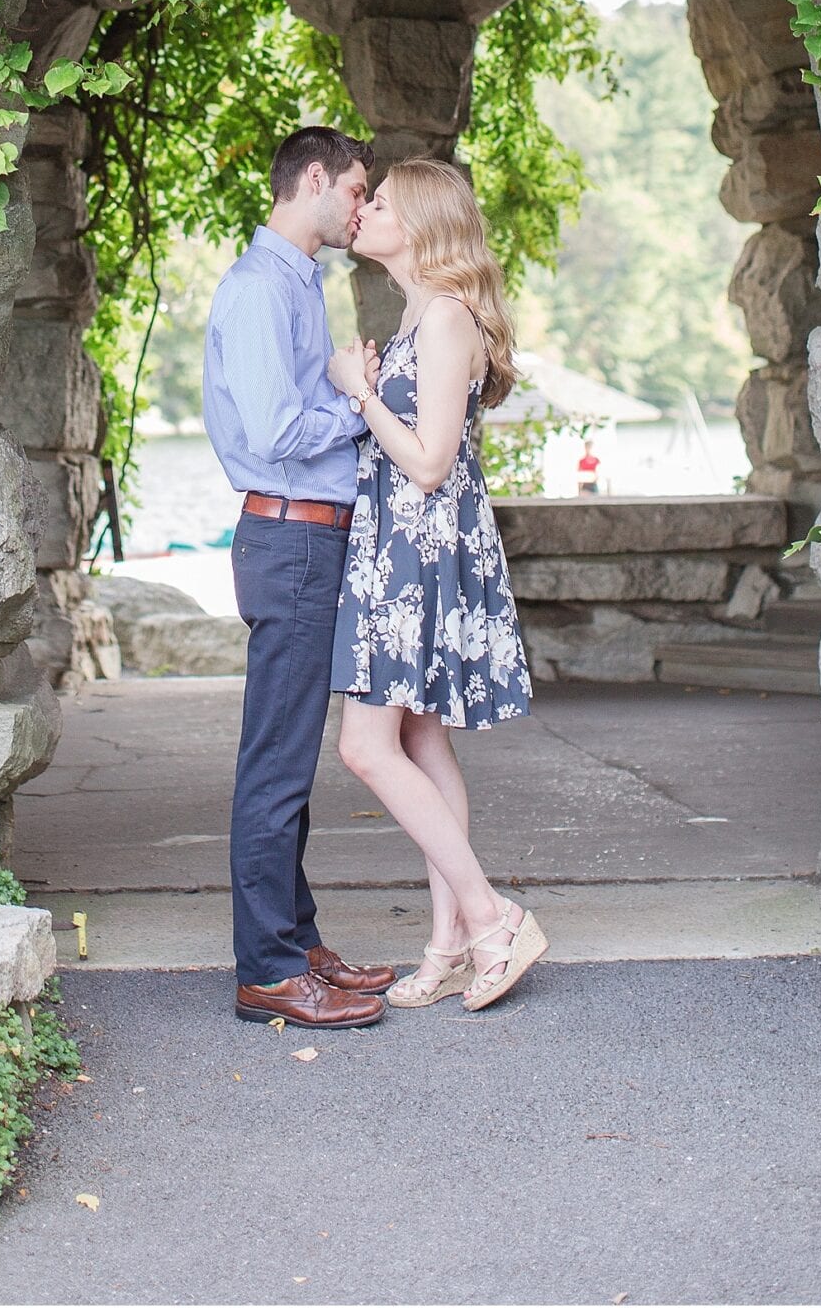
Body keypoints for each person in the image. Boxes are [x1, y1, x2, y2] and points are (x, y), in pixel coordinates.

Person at [326, 158, 544, 1014]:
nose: (364, 212)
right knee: (418, 742)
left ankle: (493, 918)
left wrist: (360, 396)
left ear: (416, 226)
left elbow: (426, 463)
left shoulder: (447, 316)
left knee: (365, 747)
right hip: (398, 551)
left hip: (416, 552)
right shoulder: (420, 312)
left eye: (378, 203)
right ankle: (449, 940)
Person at [203, 126, 397, 1029]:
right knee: (275, 764)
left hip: (308, 538)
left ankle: (298, 942)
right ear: (312, 180)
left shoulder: (296, 283)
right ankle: (268, 970)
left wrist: (346, 393)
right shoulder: (256, 291)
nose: (361, 208)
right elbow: (280, 433)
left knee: (291, 763)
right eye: (356, 189)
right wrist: (360, 409)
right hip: (288, 540)